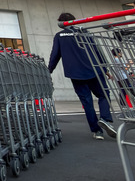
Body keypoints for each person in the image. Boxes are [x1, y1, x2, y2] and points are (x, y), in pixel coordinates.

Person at [48, 12, 117, 140]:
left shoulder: (59, 36)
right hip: (94, 69)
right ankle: (104, 118)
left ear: (61, 22)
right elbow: (97, 51)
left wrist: (49, 70)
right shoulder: (84, 32)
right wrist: (105, 68)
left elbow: (55, 55)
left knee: (87, 102)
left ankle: (97, 132)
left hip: (75, 73)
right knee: (104, 95)